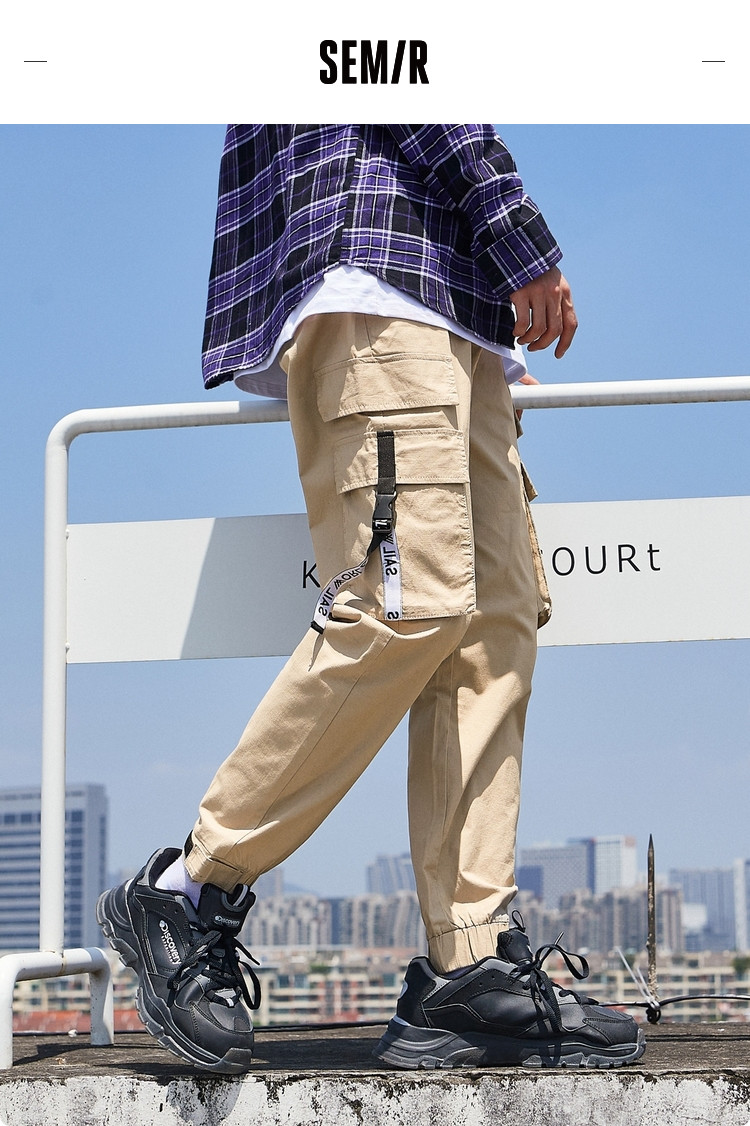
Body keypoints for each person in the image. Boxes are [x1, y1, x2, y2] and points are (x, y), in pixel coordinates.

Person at [97, 125, 644, 1073]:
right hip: (379, 277)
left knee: (493, 630)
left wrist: (484, 304)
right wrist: (520, 240)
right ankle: (188, 888)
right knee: (408, 605)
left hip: (452, 309)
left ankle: (468, 965)